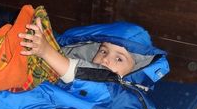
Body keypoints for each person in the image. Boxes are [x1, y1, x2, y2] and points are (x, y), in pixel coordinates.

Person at [18, 16, 164, 83]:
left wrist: (46, 51)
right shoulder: (80, 58)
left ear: (134, 69)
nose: (105, 59)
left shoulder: (119, 93)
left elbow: (79, 73)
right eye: (103, 51)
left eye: (119, 59)